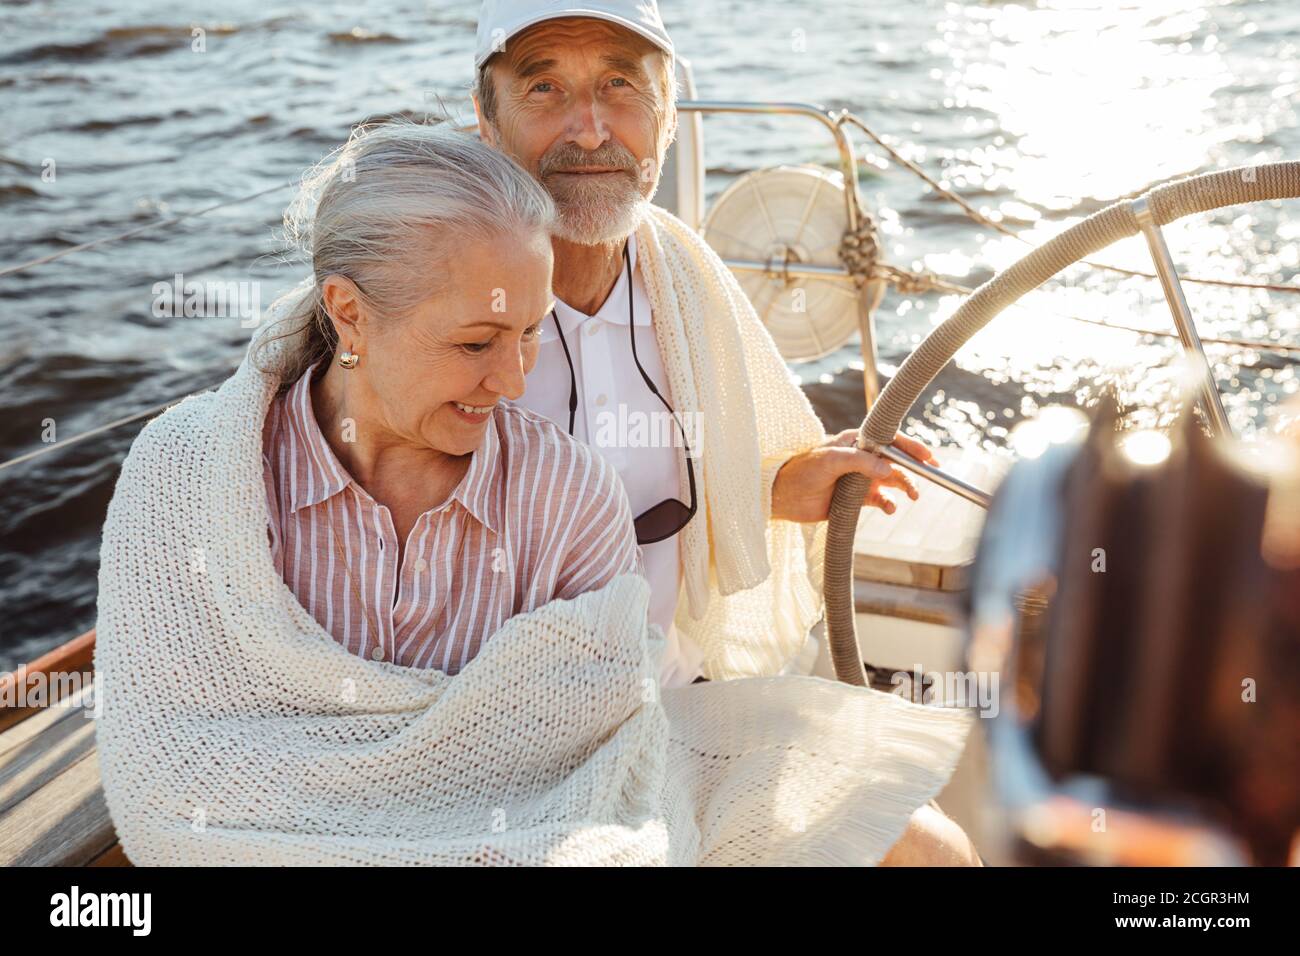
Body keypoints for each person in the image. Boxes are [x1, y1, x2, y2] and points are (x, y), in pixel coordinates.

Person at [470, 0, 979, 865]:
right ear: (486, 121)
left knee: (937, 853)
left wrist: (779, 487)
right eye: (545, 86)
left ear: (667, 119)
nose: (589, 129)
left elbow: (696, 485)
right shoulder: (435, 292)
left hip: (673, 710)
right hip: (486, 738)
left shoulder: (683, 278)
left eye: (620, 86)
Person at [253, 121, 644, 672]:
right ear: (349, 312)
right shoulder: (210, 484)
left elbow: (607, 723)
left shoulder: (572, 499)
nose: (513, 385)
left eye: (531, 331)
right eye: (476, 342)